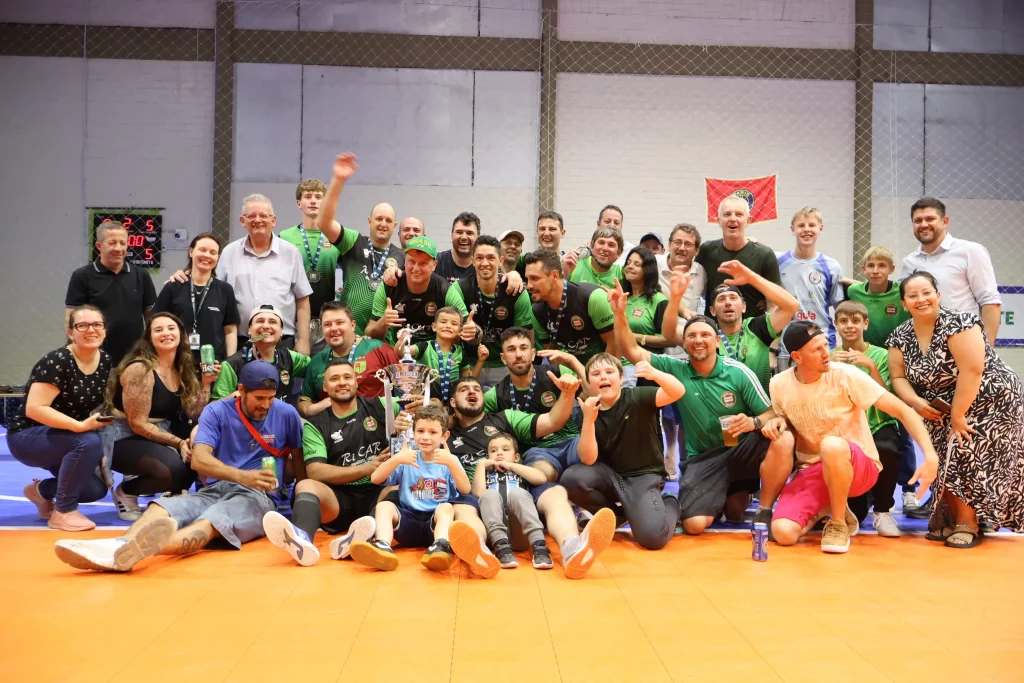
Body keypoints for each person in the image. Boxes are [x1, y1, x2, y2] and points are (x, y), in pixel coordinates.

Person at [54, 362, 306, 572]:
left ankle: (137, 550)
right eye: (259, 398)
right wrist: (242, 476)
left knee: (212, 521)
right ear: (240, 390)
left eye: (271, 398)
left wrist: (299, 501)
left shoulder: (286, 414)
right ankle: (118, 545)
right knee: (162, 507)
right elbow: (199, 460)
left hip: (257, 496)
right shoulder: (216, 411)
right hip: (215, 488)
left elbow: (298, 459)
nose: (266, 405)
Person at [614, 294, 793, 537]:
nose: (698, 340)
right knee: (695, 525)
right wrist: (619, 314)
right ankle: (703, 496)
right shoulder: (675, 368)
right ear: (684, 343)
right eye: (692, 336)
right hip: (703, 459)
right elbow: (632, 350)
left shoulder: (738, 372)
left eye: (705, 335)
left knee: (782, 440)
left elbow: (771, 414)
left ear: (717, 341)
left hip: (740, 450)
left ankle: (764, 508)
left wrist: (753, 422)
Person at [769, 321, 938, 553]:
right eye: (816, 349)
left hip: (859, 465)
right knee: (783, 533)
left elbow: (903, 411)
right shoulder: (779, 384)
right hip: (814, 469)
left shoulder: (845, 374)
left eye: (825, 345)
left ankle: (837, 523)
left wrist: (930, 456)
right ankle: (832, 506)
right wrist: (777, 421)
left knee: (831, 445)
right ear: (797, 357)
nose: (826, 353)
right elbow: (786, 421)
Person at [887, 271, 1024, 547]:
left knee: (962, 448)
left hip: (989, 399)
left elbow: (972, 371)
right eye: (913, 295)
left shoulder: (959, 322)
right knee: (938, 453)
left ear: (938, 295)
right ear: (904, 303)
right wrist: (916, 402)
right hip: (939, 405)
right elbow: (898, 377)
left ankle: (967, 523)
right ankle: (951, 517)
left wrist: (958, 416)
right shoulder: (899, 335)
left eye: (927, 292)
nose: (921, 299)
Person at [447, 376, 615, 579]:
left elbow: (552, 421)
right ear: (452, 402)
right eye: (464, 389)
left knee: (555, 492)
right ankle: (480, 552)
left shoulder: (504, 418)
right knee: (461, 507)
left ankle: (572, 548)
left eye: (476, 388)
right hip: (480, 498)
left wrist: (568, 393)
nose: (472, 391)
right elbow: (425, 428)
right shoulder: (446, 434)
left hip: (520, 495)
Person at [262, 359, 411, 566]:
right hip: (338, 500)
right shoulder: (316, 425)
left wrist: (412, 412)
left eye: (347, 377)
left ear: (356, 382)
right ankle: (301, 541)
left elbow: (426, 409)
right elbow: (315, 472)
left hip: (378, 493)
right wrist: (366, 468)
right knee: (305, 485)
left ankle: (359, 540)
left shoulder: (383, 405)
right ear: (325, 386)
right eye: (334, 379)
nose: (342, 382)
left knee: (398, 488)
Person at [560, 354, 685, 550]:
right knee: (571, 479)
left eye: (609, 372)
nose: (603, 376)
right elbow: (588, 459)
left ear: (621, 378)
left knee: (653, 538)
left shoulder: (637, 397)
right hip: (610, 476)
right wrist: (589, 420)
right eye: (596, 374)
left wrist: (655, 374)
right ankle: (616, 516)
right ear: (589, 382)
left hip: (643, 476)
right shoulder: (588, 408)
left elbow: (678, 391)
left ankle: (670, 502)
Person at [8, 306, 113, 531]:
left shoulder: (105, 360)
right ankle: (63, 512)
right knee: (88, 441)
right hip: (27, 436)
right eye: (82, 325)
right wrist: (80, 426)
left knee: (94, 490)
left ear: (104, 330)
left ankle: (40, 491)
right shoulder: (57, 361)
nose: (91, 330)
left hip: (66, 437)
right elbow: (34, 409)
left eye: (97, 324)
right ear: (70, 332)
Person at [105, 312, 217, 520]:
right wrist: (178, 442)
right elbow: (137, 424)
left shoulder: (181, 367)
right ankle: (126, 492)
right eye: (158, 330)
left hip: (155, 432)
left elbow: (195, 413)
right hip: (122, 435)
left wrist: (206, 383)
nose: (166, 333)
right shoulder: (140, 369)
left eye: (171, 328)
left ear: (181, 335)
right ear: (149, 337)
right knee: (171, 470)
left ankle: (173, 492)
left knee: (195, 456)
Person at [349, 404, 485, 574]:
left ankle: (440, 546)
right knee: (384, 506)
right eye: (420, 431)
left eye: (432, 432)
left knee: (446, 507)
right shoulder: (406, 458)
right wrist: (396, 459)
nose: (425, 437)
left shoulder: (449, 460)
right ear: (413, 433)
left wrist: (451, 462)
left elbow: (465, 489)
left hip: (434, 525)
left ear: (444, 436)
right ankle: (383, 545)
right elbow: (375, 478)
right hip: (408, 522)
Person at [846, 245, 920, 515]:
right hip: (866, 359)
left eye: (882, 266)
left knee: (900, 425)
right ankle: (863, 488)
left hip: (898, 362)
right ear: (863, 269)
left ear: (892, 269)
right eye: (870, 266)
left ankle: (909, 488)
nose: (876, 270)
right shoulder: (855, 292)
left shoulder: (901, 292)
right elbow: (850, 294)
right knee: (863, 422)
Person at [664, 260, 798, 394]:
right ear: (712, 311)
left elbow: (791, 306)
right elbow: (670, 334)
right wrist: (675, 299)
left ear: (743, 307)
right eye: (721, 299)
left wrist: (751, 278)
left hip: (759, 403)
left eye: (733, 298)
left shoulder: (757, 327)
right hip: (719, 403)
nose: (728, 303)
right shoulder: (706, 334)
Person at [831, 301, 903, 537]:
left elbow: (888, 398)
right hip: (845, 429)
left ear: (866, 323)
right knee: (858, 513)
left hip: (878, 423)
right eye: (843, 321)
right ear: (835, 325)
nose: (849, 326)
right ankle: (843, 508)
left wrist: (871, 367)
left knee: (887, 446)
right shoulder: (829, 357)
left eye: (855, 321)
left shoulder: (881, 355)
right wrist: (831, 367)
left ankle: (883, 511)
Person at [316, 153, 406, 335]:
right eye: (378, 219)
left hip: (383, 337)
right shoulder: (354, 241)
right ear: (369, 221)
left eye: (388, 220)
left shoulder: (402, 257)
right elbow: (323, 222)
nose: (383, 224)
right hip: (350, 335)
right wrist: (338, 180)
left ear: (394, 226)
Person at [215, 193, 312, 354]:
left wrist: (303, 340)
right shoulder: (229, 252)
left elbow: (302, 299)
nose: (257, 220)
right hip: (240, 341)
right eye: (251, 216)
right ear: (242, 221)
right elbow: (214, 291)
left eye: (263, 216)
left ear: (273, 221)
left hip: (282, 341)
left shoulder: (291, 253)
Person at [900, 197, 1001, 346]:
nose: (924, 225)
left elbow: (990, 302)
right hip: (924, 346)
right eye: (918, 221)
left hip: (965, 342)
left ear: (945, 221)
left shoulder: (970, 251)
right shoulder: (909, 262)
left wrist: (986, 350)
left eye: (930, 219)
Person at [446, 235, 535, 388]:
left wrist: (528, 368)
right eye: (479, 258)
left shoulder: (516, 291)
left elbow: (527, 334)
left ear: (500, 261)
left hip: (504, 365)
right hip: (470, 363)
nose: (485, 263)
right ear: (472, 261)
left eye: (491, 258)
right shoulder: (459, 289)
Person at [65, 220, 156, 365]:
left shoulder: (141, 275)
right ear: (99, 246)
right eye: (112, 243)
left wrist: (153, 348)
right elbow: (72, 317)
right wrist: (74, 351)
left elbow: (151, 315)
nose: (118, 248)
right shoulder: (81, 276)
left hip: (135, 357)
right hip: (95, 357)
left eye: (122, 243)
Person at [152, 232, 239, 371]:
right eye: (202, 250)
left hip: (213, 365)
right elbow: (155, 323)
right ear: (191, 252)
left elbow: (230, 331)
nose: (207, 255)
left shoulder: (225, 290)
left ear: (218, 257)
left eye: (213, 252)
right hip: (177, 363)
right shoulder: (173, 286)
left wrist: (229, 364)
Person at [299, 302, 399, 416]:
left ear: (352, 325)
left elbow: (406, 385)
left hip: (377, 423)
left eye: (340, 322)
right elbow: (304, 402)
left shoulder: (378, 349)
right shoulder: (316, 362)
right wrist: (312, 408)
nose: (333, 328)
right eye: (327, 324)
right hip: (333, 425)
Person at [469, 432, 552, 569]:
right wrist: (481, 466)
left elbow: (541, 478)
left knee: (518, 493)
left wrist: (511, 466)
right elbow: (479, 493)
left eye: (505, 449)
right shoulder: (486, 474)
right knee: (489, 494)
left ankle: (539, 546)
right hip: (494, 533)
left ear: (516, 457)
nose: (499, 453)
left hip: (520, 531)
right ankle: (502, 548)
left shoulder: (520, 472)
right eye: (493, 451)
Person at [367, 236, 465, 346]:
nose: (416, 268)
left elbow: (465, 327)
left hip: (432, 353)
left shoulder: (445, 289)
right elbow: (370, 334)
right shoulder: (389, 285)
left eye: (423, 263)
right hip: (394, 350)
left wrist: (471, 331)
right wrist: (383, 322)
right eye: (411, 261)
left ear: (434, 265)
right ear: (405, 261)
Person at [524, 248, 617, 363]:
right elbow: (553, 356)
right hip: (570, 368)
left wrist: (595, 372)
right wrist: (572, 371)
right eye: (527, 279)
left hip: (605, 366)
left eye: (534, 278)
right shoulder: (537, 311)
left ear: (554, 275)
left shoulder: (593, 298)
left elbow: (615, 344)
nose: (529, 286)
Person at [695, 195, 782, 315]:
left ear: (748, 221)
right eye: (727, 214)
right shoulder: (706, 250)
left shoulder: (765, 255)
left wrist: (769, 318)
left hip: (753, 326)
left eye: (739, 214)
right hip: (713, 325)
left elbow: (775, 300)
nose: (732, 218)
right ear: (718, 221)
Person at [777, 207, 844, 353]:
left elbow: (841, 310)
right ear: (792, 229)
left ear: (820, 229)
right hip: (785, 346)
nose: (806, 229)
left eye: (812, 225)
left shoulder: (831, 266)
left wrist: (844, 341)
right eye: (801, 225)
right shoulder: (777, 261)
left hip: (822, 344)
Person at [212, 305, 310, 402]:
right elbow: (213, 407)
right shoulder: (231, 365)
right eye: (260, 321)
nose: (266, 326)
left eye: (272, 322)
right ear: (249, 330)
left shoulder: (289, 358)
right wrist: (237, 397)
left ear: (281, 332)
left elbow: (315, 367)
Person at [279, 178, 342, 322]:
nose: (313, 201)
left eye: (318, 197)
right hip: (293, 315)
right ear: (299, 203)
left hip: (329, 316)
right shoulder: (285, 237)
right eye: (307, 197)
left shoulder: (336, 236)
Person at [620, 246, 671, 386]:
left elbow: (668, 339)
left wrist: (637, 337)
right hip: (616, 366)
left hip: (644, 369)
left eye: (637, 264)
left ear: (648, 270)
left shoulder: (658, 300)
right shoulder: (621, 297)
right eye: (628, 262)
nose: (630, 267)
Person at [405, 307, 478, 402]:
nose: (448, 326)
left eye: (454, 324)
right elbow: (402, 351)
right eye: (443, 322)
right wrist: (402, 340)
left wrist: (481, 361)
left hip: (451, 402)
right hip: (425, 400)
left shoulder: (460, 351)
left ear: (460, 331)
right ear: (434, 327)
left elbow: (468, 379)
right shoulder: (425, 346)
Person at [435, 212, 480, 282]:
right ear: (452, 235)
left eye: (469, 233)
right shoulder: (437, 263)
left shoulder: (482, 265)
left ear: (478, 238)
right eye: (459, 232)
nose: (464, 237)